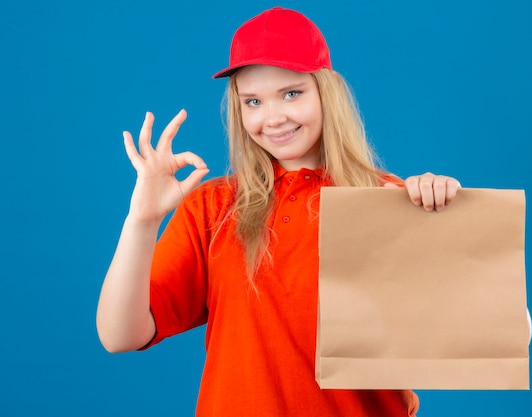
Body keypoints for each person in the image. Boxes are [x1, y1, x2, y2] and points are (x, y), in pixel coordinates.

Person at [96, 7, 461, 416]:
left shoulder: (386, 200)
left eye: (291, 93)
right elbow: (119, 335)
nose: (273, 118)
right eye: (253, 101)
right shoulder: (212, 208)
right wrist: (142, 221)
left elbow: (477, 331)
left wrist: (443, 218)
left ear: (326, 91)